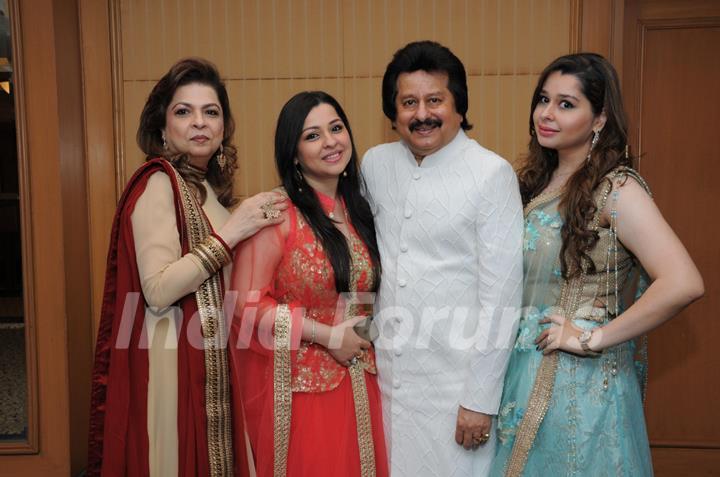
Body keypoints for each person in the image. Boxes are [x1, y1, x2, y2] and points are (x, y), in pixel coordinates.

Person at [490, 53, 704, 477]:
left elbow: (683, 282)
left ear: (600, 119)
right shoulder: (535, 183)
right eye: (543, 100)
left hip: (580, 387)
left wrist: (592, 338)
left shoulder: (616, 190)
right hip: (524, 374)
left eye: (566, 104)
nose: (546, 114)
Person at [87, 58, 287, 476]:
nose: (199, 122)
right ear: (162, 127)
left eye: (210, 112)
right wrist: (235, 230)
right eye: (184, 111)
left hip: (208, 358)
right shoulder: (157, 183)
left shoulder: (203, 190)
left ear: (223, 127)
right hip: (171, 365)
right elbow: (158, 289)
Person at [360, 40, 524, 476]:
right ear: (392, 113)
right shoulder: (375, 165)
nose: (422, 114)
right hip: (387, 385)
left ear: (458, 105)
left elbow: (502, 296)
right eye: (408, 102)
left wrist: (479, 400)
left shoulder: (491, 173)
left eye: (435, 100)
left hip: (455, 392)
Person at [229, 91, 389, 476]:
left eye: (336, 128)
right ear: (294, 153)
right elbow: (245, 306)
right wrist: (326, 336)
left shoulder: (361, 211)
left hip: (361, 381)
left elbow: (363, 294)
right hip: (302, 394)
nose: (331, 141)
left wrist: (358, 336)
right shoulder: (276, 213)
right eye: (313, 135)